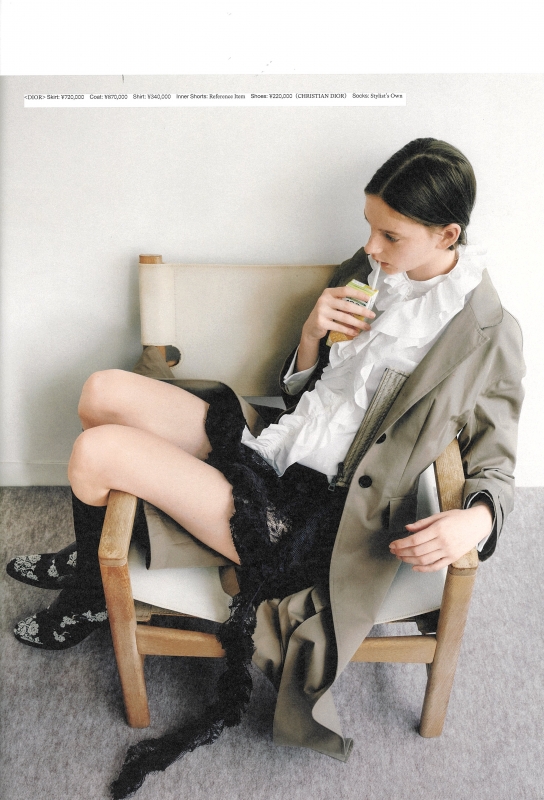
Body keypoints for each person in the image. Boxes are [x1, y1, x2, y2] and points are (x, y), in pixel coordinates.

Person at [7, 138, 525, 798]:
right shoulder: (372, 272)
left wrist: (474, 523)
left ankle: (89, 595)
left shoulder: (488, 333)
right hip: (277, 445)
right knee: (100, 391)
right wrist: (311, 335)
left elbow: (497, 461)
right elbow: (312, 392)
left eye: (390, 235)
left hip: (315, 514)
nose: (371, 246)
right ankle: (91, 562)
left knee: (95, 453)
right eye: (369, 226)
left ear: (447, 234)